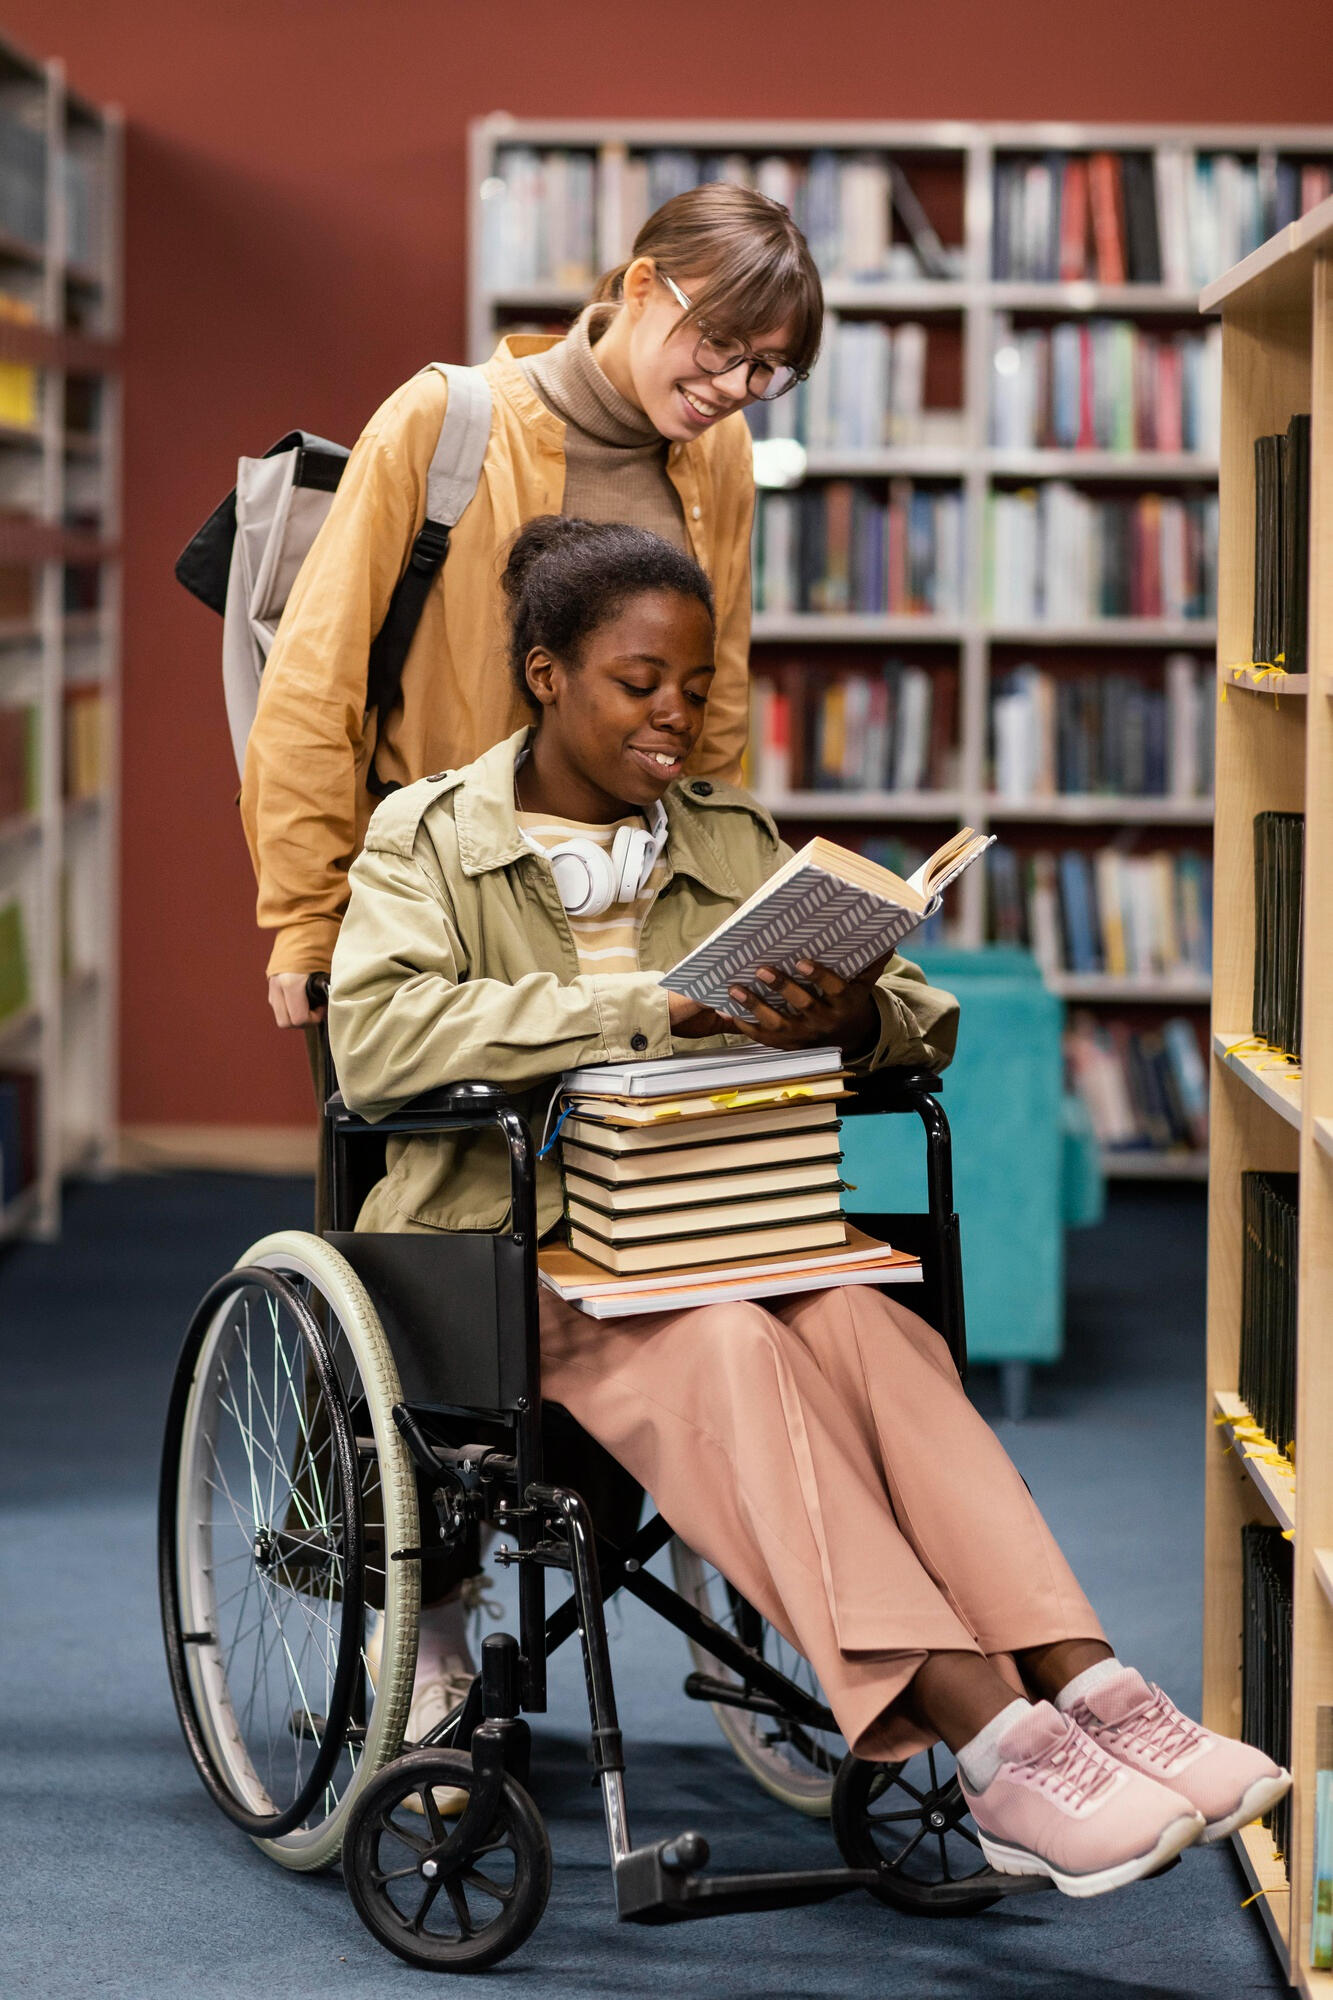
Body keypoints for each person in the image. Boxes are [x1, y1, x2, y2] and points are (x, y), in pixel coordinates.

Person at [328, 517, 1289, 1896]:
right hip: (519, 1251)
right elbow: (379, 1041)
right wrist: (650, 1007)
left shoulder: (726, 835)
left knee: (865, 1319)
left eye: (694, 683)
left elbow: (919, 1017)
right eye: (637, 681)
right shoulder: (426, 838)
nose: (677, 712)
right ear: (546, 676)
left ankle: (1095, 1691)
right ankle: (999, 1744)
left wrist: (854, 1019)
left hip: (730, 1225)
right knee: (729, 1348)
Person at [242, 181, 822, 1038]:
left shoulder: (721, 456)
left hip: (637, 905)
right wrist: (306, 914)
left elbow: (717, 690)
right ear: (639, 288)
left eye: (768, 367)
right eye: (720, 343)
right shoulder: (442, 420)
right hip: (452, 902)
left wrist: (722, 891)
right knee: (456, 1171)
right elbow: (311, 682)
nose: (734, 384)